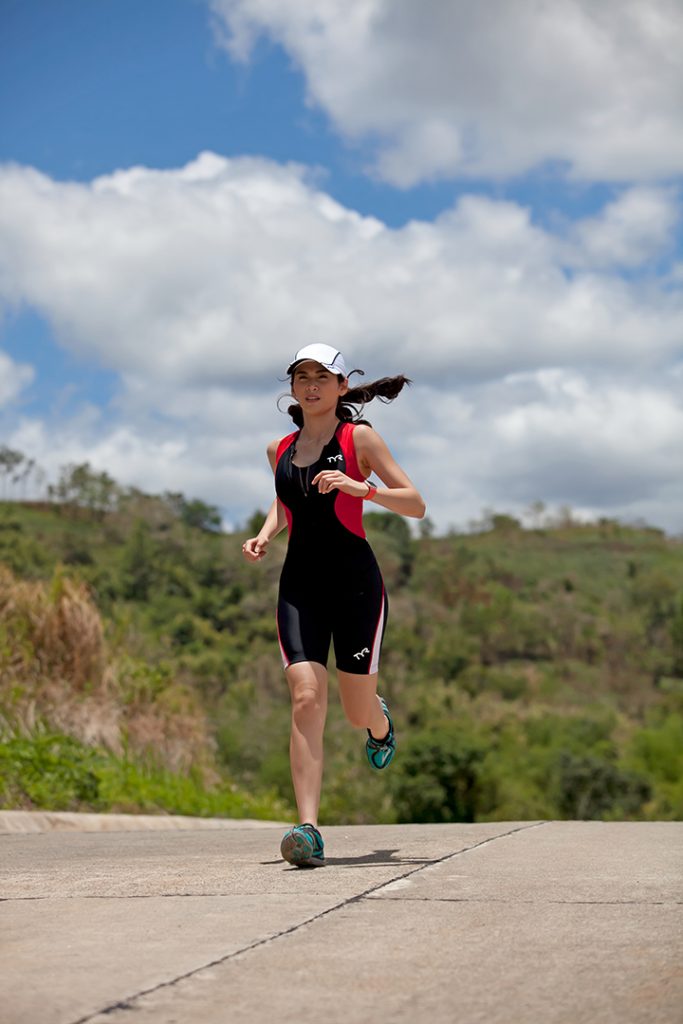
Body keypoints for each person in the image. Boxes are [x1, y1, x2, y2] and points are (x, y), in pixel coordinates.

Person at [242, 343, 425, 867]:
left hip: (356, 587)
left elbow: (415, 502)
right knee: (304, 697)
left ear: (342, 386)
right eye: (302, 376)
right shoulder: (279, 449)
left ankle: (380, 724)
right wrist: (263, 535)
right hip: (299, 587)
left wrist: (360, 487)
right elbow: (284, 505)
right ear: (293, 388)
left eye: (323, 376)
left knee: (353, 711)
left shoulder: (358, 437)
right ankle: (307, 829)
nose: (312, 384)